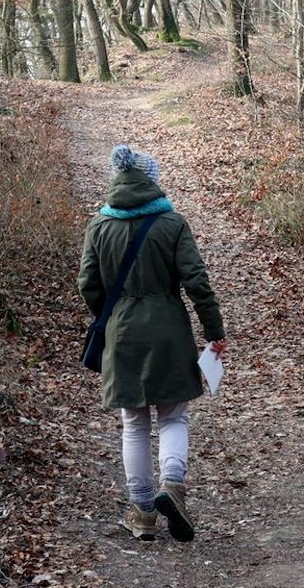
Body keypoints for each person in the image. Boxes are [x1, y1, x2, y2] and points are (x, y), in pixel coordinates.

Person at [79, 144, 227, 542]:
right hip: (168, 331)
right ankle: (172, 484)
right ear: (151, 180)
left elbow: (88, 284)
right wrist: (214, 330)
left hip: (122, 332)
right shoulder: (172, 223)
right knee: (173, 415)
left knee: (134, 422)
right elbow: (197, 280)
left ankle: (143, 512)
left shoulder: (99, 225)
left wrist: (111, 314)